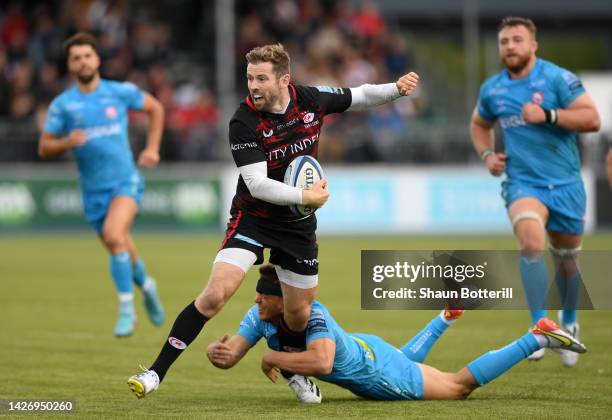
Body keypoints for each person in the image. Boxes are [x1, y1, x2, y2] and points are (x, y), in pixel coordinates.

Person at [127, 43, 420, 398]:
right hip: (254, 218)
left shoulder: (310, 99)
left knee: (297, 315)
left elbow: (358, 96)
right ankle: (155, 373)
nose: (253, 86)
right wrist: (306, 197)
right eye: (250, 78)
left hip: (296, 226)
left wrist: (396, 90)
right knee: (215, 295)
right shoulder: (243, 121)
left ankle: (289, 366)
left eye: (262, 78)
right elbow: (258, 185)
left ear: (284, 80)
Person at [201, 264, 585, 402]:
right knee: (404, 362)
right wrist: (219, 356)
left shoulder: (314, 314)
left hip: (373, 373)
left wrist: (271, 357)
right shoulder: (261, 316)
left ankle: (536, 337)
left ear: (283, 301)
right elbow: (232, 353)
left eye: (262, 300)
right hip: (371, 347)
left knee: (457, 387)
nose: (255, 304)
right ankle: (443, 319)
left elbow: (322, 361)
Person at [469, 17, 600, 365]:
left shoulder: (558, 78)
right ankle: (540, 328)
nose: (509, 46)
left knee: (568, 262)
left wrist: (549, 115)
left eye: (516, 40)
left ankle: (569, 322)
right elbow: (479, 124)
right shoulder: (493, 89)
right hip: (522, 183)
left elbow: (593, 119)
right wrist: (486, 155)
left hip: (567, 185)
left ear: (533, 45)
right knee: (530, 242)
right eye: (504, 41)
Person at [38, 32, 165, 337]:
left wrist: (152, 148)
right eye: (76, 57)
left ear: (97, 59)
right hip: (92, 192)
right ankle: (147, 286)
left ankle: (126, 310)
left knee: (113, 234)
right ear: (70, 65)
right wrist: (67, 141)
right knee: (119, 244)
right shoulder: (63, 105)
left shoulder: (118, 91)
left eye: (87, 55)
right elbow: (44, 147)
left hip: (125, 181)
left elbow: (155, 108)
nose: (83, 61)